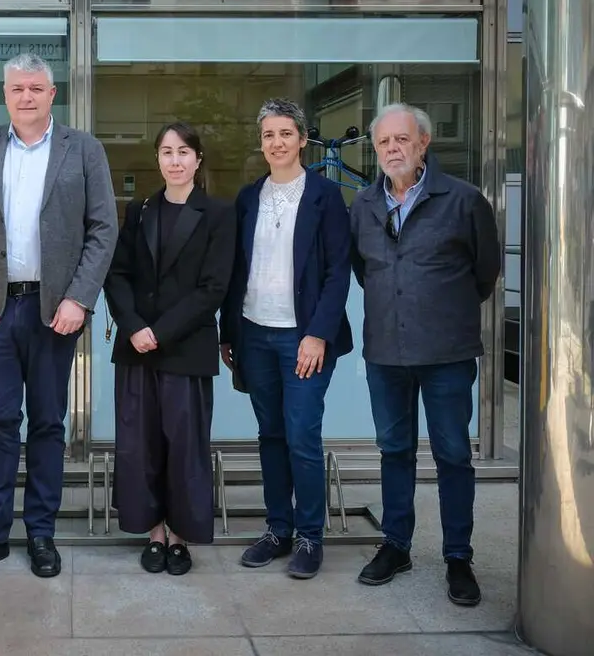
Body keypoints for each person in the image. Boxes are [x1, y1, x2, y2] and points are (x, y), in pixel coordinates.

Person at [0, 53, 119, 580]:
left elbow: (103, 229)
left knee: (48, 423)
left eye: (36, 88)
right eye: (17, 88)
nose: (26, 96)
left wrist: (79, 298)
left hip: (54, 310)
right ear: (6, 95)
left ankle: (41, 533)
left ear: (52, 94)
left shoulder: (83, 149)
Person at [350, 103, 500, 606]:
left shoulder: (463, 200)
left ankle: (458, 556)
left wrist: (437, 308)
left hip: (446, 353)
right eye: (384, 142)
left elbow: (485, 272)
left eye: (402, 139)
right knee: (393, 450)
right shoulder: (363, 205)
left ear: (423, 143)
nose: (392, 149)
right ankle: (396, 545)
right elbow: (364, 271)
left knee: (452, 454)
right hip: (385, 352)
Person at [219, 98, 353, 580]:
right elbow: (235, 271)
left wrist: (318, 335)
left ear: (302, 139)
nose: (276, 143)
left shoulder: (325, 195)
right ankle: (278, 529)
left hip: (303, 338)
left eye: (285, 134)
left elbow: (338, 272)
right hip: (254, 333)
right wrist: (228, 332)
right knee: (271, 435)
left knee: (301, 435)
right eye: (268, 135)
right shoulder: (248, 197)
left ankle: (309, 536)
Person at [104, 122, 236, 576]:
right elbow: (117, 273)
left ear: (197, 159)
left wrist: (159, 332)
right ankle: (154, 532)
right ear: (157, 159)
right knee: (139, 446)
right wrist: (134, 326)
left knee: (184, 447)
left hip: (185, 347)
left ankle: (180, 535)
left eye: (183, 152)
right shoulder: (140, 209)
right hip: (136, 348)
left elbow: (213, 287)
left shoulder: (218, 213)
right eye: (166, 152)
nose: (174, 160)